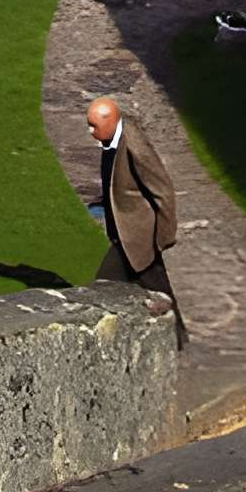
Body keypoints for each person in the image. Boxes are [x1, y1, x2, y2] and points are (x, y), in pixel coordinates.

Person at [83, 94, 185, 346]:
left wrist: (163, 238)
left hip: (137, 240)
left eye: (94, 126)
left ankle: (173, 341)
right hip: (125, 236)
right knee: (156, 289)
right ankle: (177, 340)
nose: (90, 131)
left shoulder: (133, 145)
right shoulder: (111, 138)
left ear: (111, 122)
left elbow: (163, 191)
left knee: (104, 287)